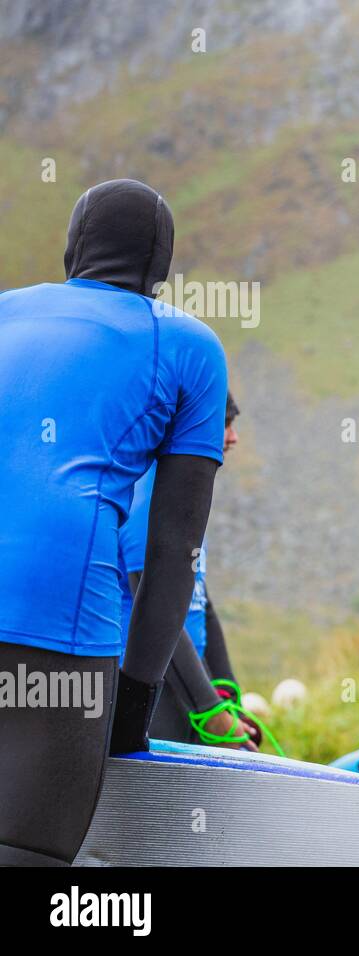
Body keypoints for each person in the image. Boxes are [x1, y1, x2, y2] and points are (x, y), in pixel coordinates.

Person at [0, 179, 228, 865]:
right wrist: (134, 702)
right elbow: (174, 547)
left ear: (73, 248)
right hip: (59, 615)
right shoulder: (189, 345)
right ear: (159, 269)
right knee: (29, 857)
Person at [119, 392, 256, 747]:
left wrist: (228, 697)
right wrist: (211, 712)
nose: (233, 437)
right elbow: (154, 610)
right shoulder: (146, 495)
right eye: (224, 424)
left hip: (187, 687)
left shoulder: (178, 494)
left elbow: (202, 606)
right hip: (152, 691)